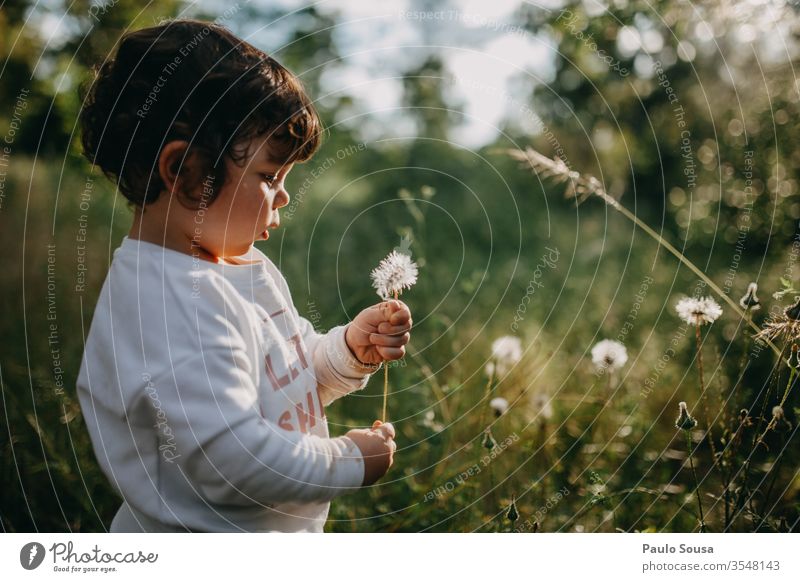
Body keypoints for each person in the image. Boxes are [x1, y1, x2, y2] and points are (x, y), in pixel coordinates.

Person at [75, 19, 412, 532]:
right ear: (185, 171)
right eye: (269, 176)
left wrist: (346, 350)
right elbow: (231, 463)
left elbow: (286, 378)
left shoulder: (242, 268)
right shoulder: (165, 306)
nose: (284, 196)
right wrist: (345, 460)